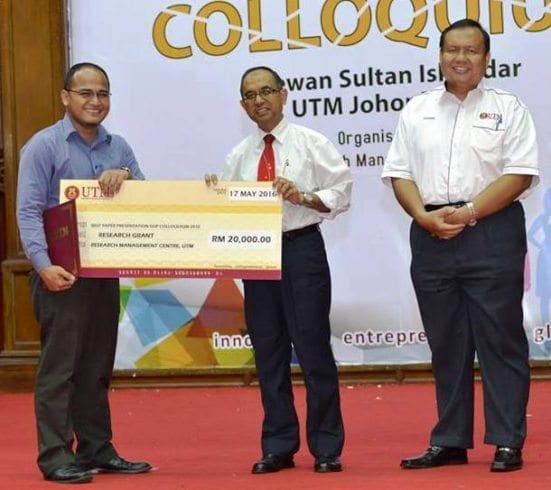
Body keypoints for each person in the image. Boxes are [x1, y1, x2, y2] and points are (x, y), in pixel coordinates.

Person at [382, 19, 538, 472]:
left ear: (486, 59)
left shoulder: (509, 108)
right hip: (430, 231)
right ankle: (450, 438)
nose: (461, 59)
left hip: (490, 231)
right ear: (440, 56)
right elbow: (400, 173)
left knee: (500, 339)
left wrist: (469, 212)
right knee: (445, 343)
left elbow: (519, 173)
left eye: (471, 51)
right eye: (452, 50)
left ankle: (507, 439)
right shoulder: (416, 109)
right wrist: (421, 215)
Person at [207, 66, 352, 474]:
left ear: (284, 95)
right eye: (250, 95)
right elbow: (226, 210)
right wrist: (211, 194)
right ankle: (278, 445)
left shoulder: (311, 143)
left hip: (301, 248)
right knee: (268, 351)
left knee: (313, 348)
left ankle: (326, 446)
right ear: (242, 104)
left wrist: (304, 195)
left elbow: (341, 193)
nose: (259, 101)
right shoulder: (239, 155)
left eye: (266, 91)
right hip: (255, 255)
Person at [16, 62, 152, 484]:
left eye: (103, 94)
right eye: (85, 93)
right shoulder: (43, 146)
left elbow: (148, 199)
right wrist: (44, 266)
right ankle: (56, 455)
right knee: (60, 370)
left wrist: (126, 177)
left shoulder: (119, 147)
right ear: (65, 97)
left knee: (95, 366)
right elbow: (27, 211)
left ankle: (97, 449)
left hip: (103, 273)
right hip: (61, 275)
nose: (95, 102)